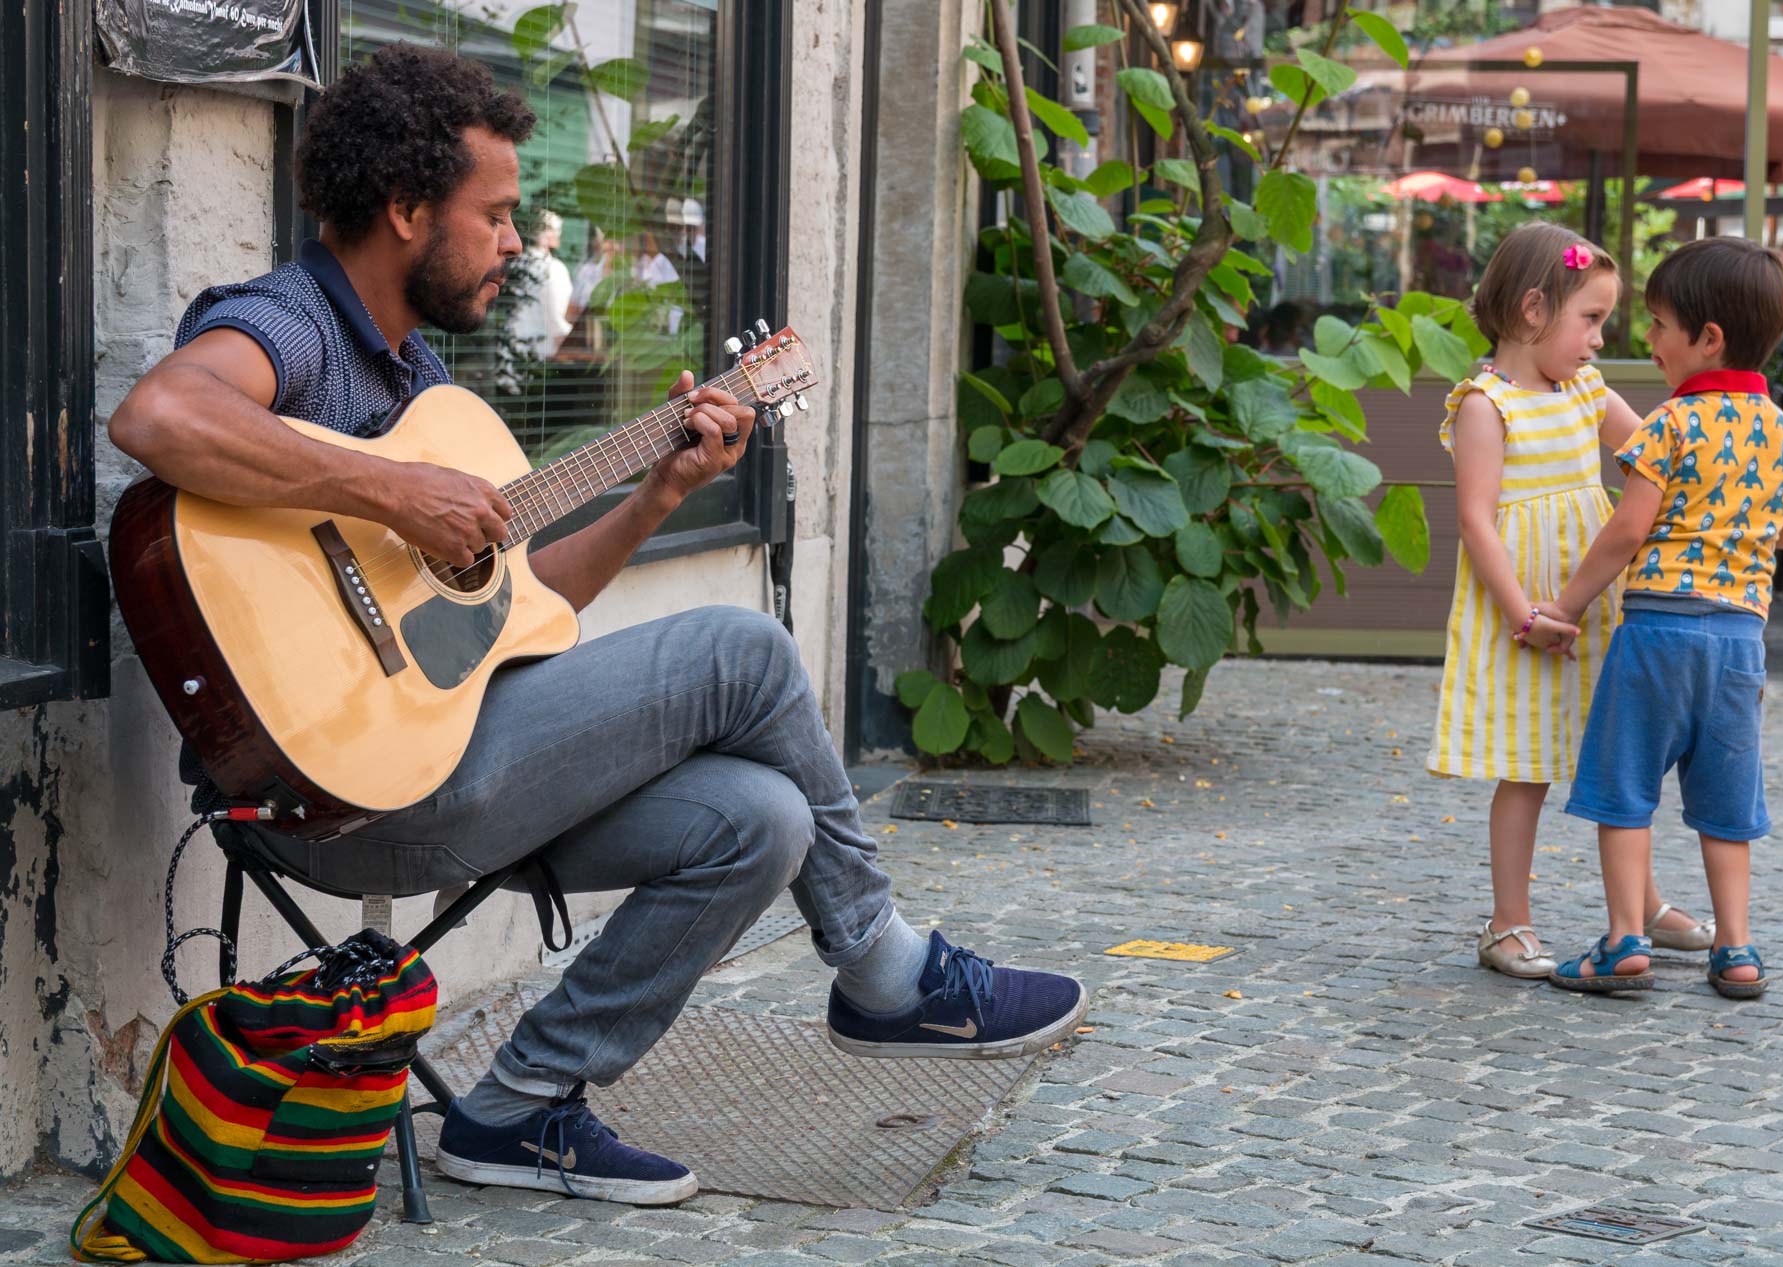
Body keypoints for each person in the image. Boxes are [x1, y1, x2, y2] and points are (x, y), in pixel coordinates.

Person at [106, 44, 1087, 1207]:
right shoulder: (294, 323)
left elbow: (518, 613)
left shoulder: (420, 382)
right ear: (408, 210)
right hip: (332, 796)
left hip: (444, 758)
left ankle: (519, 1109)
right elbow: (159, 414)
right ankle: (884, 967)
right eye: (498, 213)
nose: (518, 242)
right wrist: (389, 492)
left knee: (761, 818)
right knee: (745, 649)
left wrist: (657, 495)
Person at [1543, 236, 1783, 996]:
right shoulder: (1782, 429)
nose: (1649, 339)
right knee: (1728, 802)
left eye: (1661, 325)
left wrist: (1566, 605)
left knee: (1625, 786)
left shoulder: (1670, 425)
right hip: (1740, 643)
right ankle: (1736, 949)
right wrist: (1749, 529)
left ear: (1707, 339)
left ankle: (1624, 939)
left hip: (1657, 634)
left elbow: (1627, 531)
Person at [1427, 222, 1716, 980]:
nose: (1597, 341)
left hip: (1598, 602)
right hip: (1525, 614)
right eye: (1589, 320)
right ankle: (1507, 922)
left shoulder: (1588, 390)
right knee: (1526, 766)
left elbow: (1657, 452)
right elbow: (1476, 519)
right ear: (1532, 311)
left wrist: (1726, 441)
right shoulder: (1485, 405)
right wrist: (1526, 611)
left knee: (1623, 752)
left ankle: (1643, 906)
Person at [507, 208, 572, 360]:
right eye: (556, 230)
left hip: (512, 347)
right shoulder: (553, 268)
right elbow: (556, 317)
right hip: (542, 351)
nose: (558, 235)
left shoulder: (516, 264)